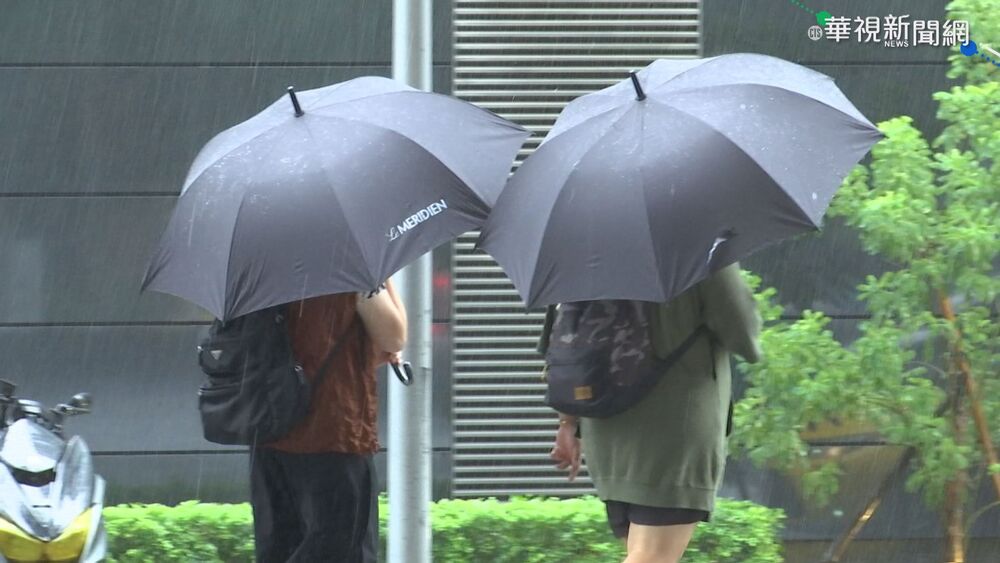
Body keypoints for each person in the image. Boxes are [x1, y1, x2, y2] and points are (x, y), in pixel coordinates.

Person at [547, 263, 762, 563]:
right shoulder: (697, 248)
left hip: (606, 434)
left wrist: (567, 423)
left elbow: (560, 339)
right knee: (653, 557)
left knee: (645, 553)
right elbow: (744, 334)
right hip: (672, 431)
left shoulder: (584, 249)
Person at [250, 280, 407, 563]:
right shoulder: (347, 267)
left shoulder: (260, 270)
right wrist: (380, 278)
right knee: (344, 551)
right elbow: (394, 336)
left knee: (280, 549)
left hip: (270, 430)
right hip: (333, 432)